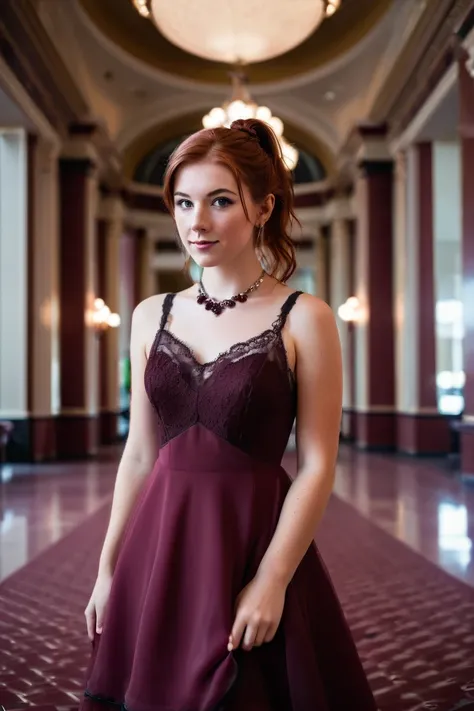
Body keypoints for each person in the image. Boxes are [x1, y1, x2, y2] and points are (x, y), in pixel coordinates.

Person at [80, 118, 377, 711]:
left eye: (220, 201)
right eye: (184, 202)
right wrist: (108, 567)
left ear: (264, 207)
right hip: (159, 542)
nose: (197, 221)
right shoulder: (149, 315)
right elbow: (140, 453)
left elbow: (318, 464)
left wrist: (272, 580)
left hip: (254, 542)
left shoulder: (305, 317)